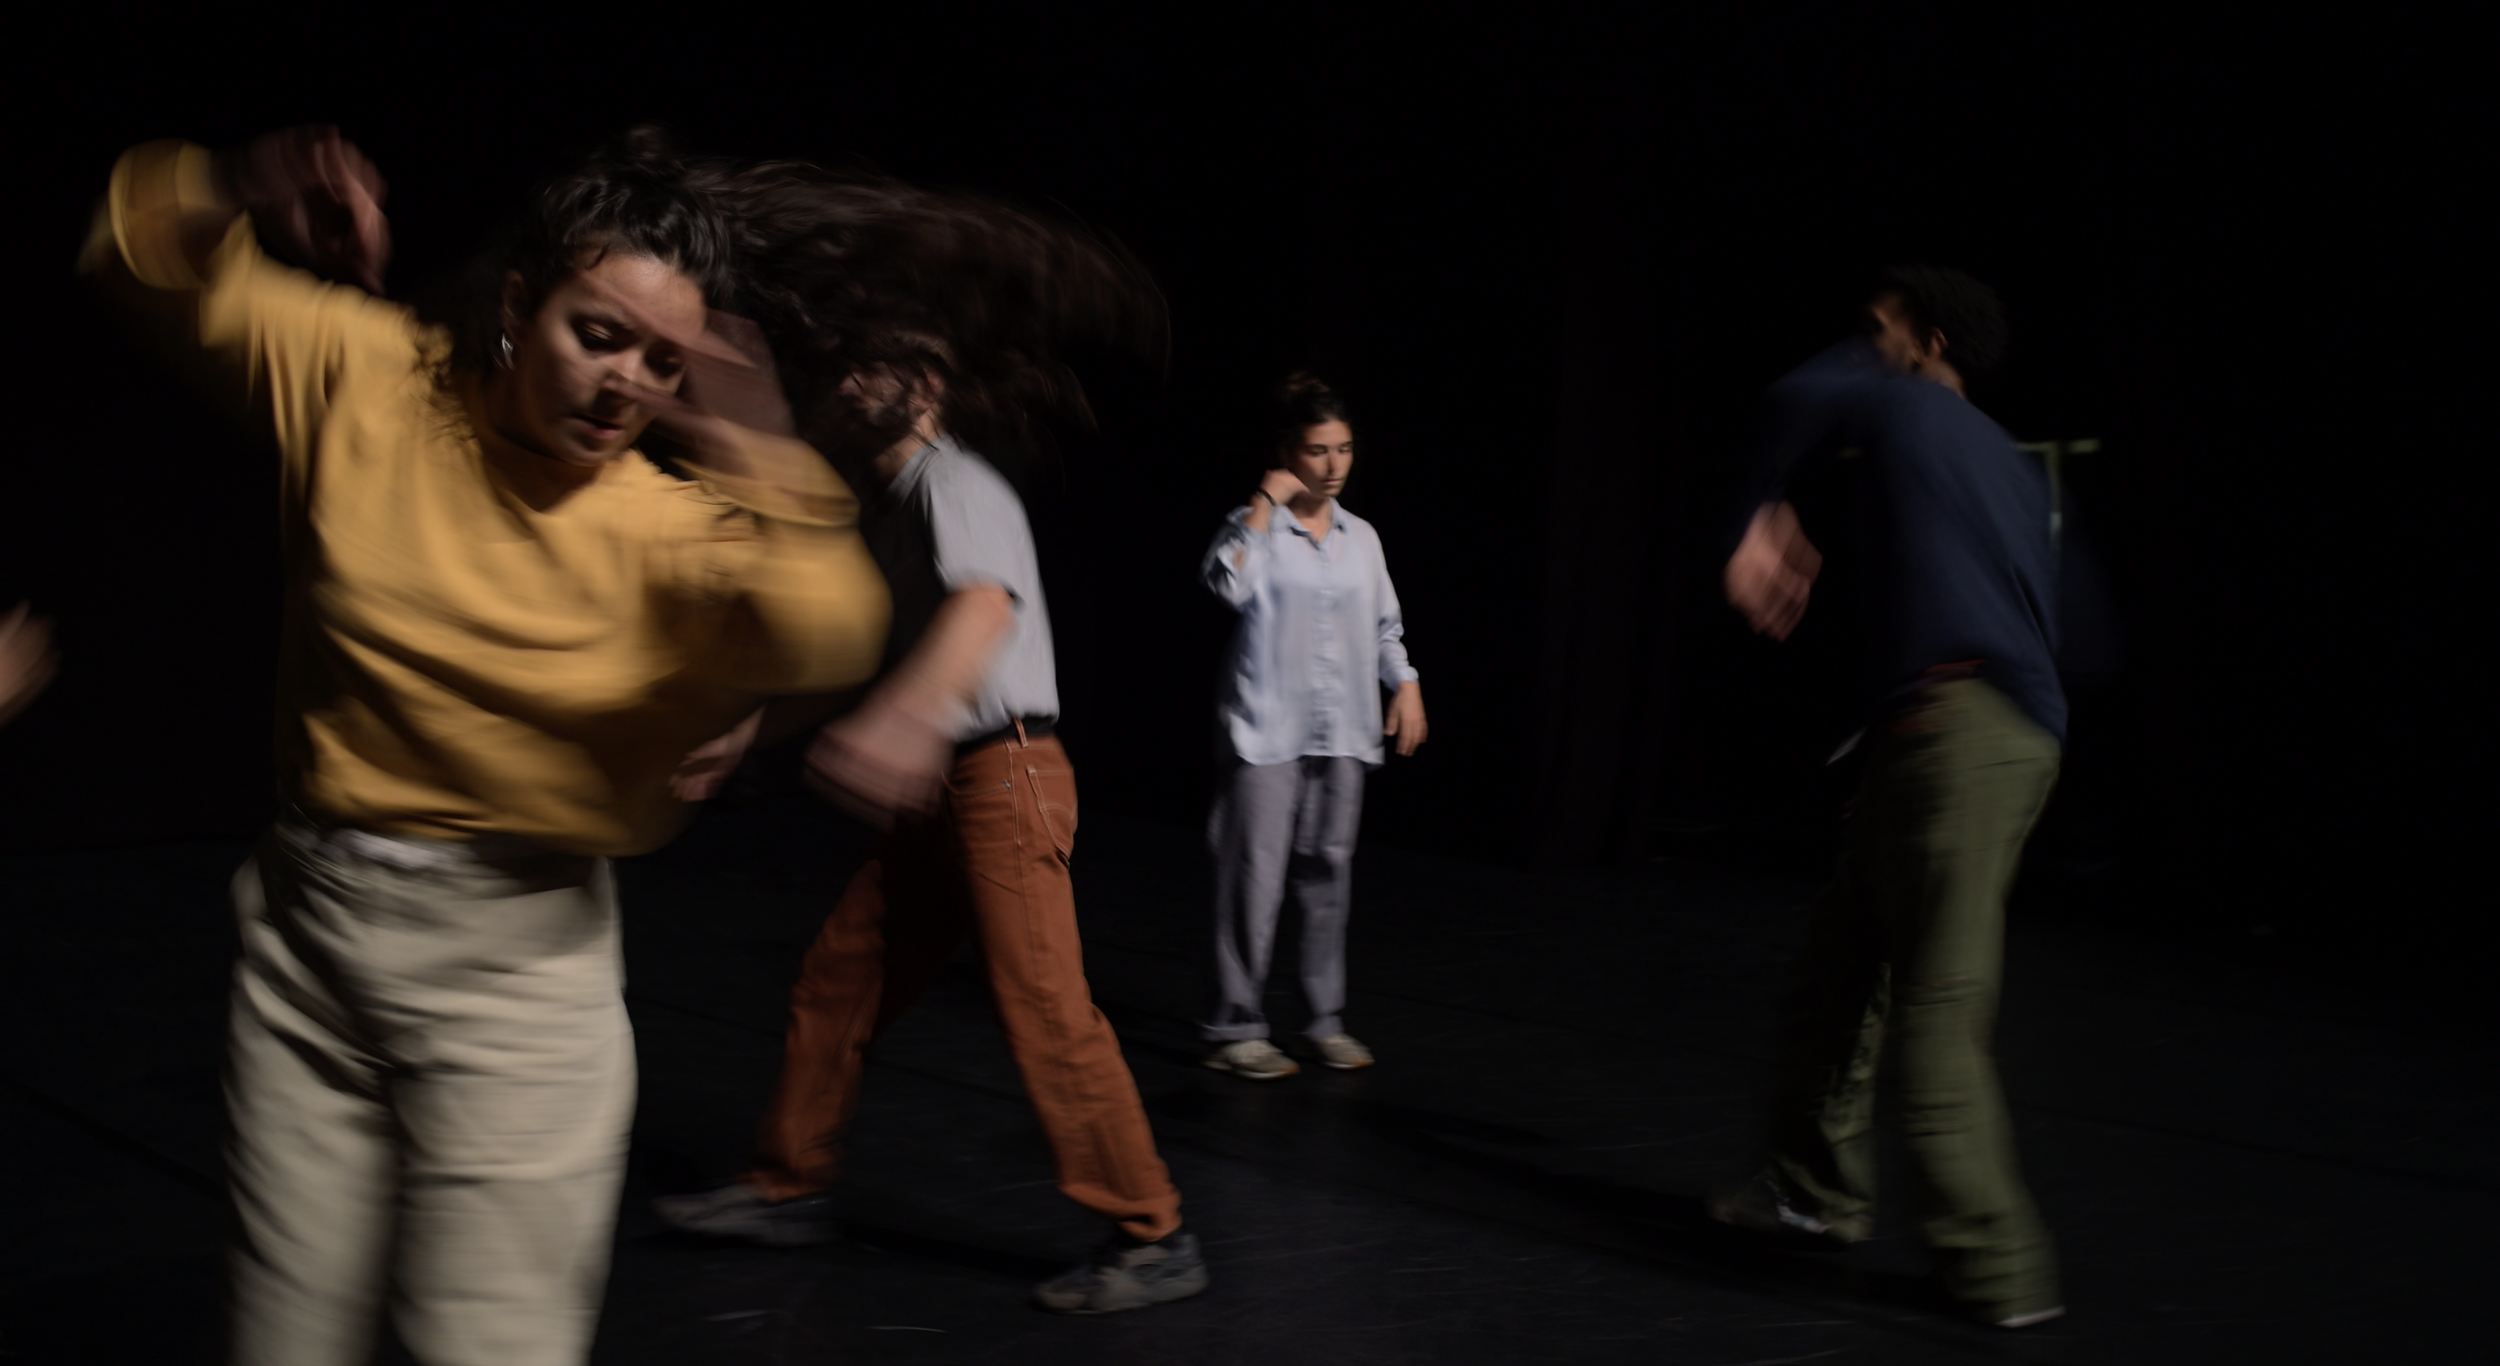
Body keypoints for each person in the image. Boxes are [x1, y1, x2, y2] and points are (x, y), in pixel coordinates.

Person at [83, 126, 892, 1365]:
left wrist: (762, 447)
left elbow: (833, 631)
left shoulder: (667, 530)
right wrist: (248, 184)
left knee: (493, 1346)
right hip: (309, 950)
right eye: (598, 332)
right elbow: (141, 256)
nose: (624, 382)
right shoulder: (374, 378)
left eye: (661, 363)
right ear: (521, 304)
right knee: (282, 1336)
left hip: (517, 985)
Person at [652, 170, 1205, 1316]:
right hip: (946, 789)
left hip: (1003, 775)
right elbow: (861, 660)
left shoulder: (954, 481)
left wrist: (904, 721)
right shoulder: (889, 505)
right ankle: (786, 1185)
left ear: (930, 384)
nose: (856, 383)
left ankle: (1152, 1231)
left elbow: (983, 610)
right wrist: (746, 735)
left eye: (882, 366)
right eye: (850, 367)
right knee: (838, 979)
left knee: (1045, 1008)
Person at [1710, 266, 2067, 1330]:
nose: (1865, 345)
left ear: (1929, 339)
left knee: (1936, 1007)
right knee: (1837, 971)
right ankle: (1815, 1194)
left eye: (1881, 329)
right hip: (1944, 731)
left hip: (1961, 734)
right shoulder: (2002, 462)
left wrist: (1752, 513)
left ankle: (2001, 1266)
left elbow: (1790, 398)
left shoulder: (1908, 401)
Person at [1196, 374, 1425, 1081]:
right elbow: (1224, 585)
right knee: (1252, 876)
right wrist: (1264, 502)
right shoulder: (1256, 527)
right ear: (1287, 452)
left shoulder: (1362, 538)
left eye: (1345, 449)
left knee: (1328, 874)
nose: (1335, 465)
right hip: (1267, 727)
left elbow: (1385, 626)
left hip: (1342, 727)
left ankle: (1322, 1019)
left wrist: (1406, 684)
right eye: (1319, 450)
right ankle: (1238, 1026)